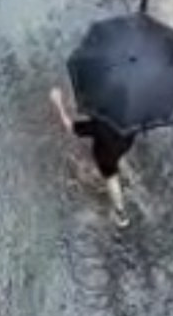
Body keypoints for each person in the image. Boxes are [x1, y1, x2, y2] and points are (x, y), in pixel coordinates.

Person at [51, 86, 133, 226]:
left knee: (111, 177)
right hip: (125, 142)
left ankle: (121, 214)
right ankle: (127, 173)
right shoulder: (129, 110)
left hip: (107, 154)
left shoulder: (99, 125)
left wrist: (58, 103)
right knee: (117, 156)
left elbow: (70, 126)